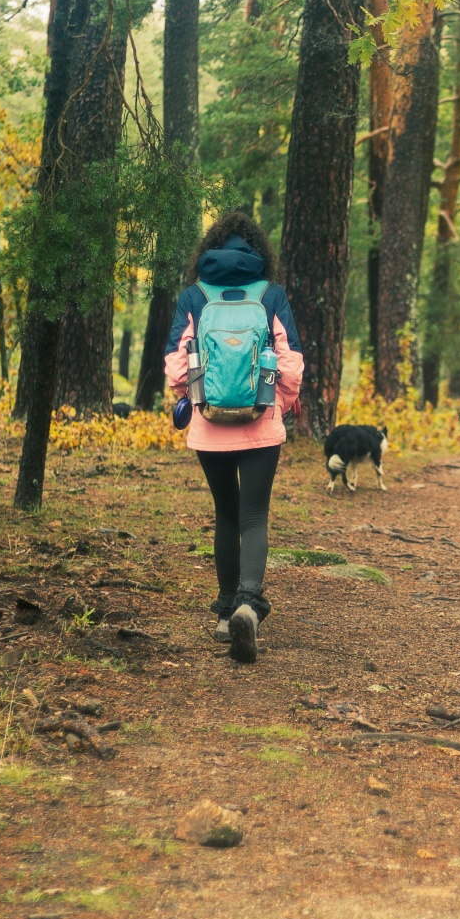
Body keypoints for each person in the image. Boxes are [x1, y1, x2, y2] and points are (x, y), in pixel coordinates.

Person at [164, 211, 304, 663]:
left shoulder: (194, 295)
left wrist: (195, 398)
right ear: (259, 251)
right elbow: (291, 362)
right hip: (260, 422)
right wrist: (276, 405)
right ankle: (248, 602)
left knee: (225, 515)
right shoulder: (270, 294)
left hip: (209, 426)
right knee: (254, 516)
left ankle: (225, 614)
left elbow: (174, 367)